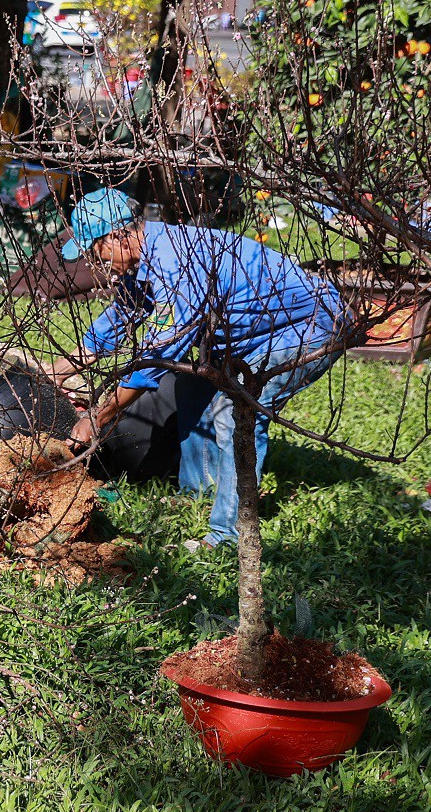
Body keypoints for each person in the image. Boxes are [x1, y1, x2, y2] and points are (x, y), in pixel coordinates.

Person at [47, 188, 350, 550]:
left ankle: (226, 536)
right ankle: (200, 494)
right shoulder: (149, 255)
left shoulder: (175, 265)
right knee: (192, 385)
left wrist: (98, 417)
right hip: (258, 331)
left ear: (117, 236)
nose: (97, 263)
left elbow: (156, 356)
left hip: (311, 326)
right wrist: (60, 370)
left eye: (96, 253)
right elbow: (121, 316)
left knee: (235, 413)